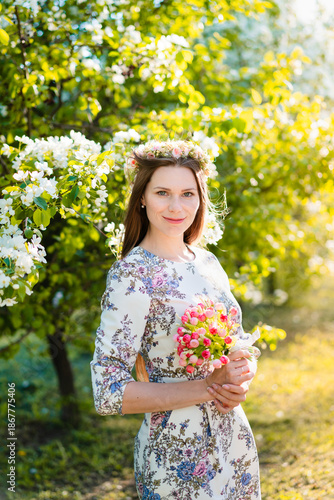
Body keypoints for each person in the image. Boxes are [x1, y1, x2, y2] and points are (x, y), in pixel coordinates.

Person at [90, 139, 261, 499]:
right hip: (176, 453)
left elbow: (237, 344)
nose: (175, 206)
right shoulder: (132, 276)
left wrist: (240, 376)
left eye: (188, 194)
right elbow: (108, 393)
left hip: (234, 443)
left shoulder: (208, 264)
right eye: (163, 192)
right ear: (142, 197)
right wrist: (208, 387)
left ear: (200, 199)